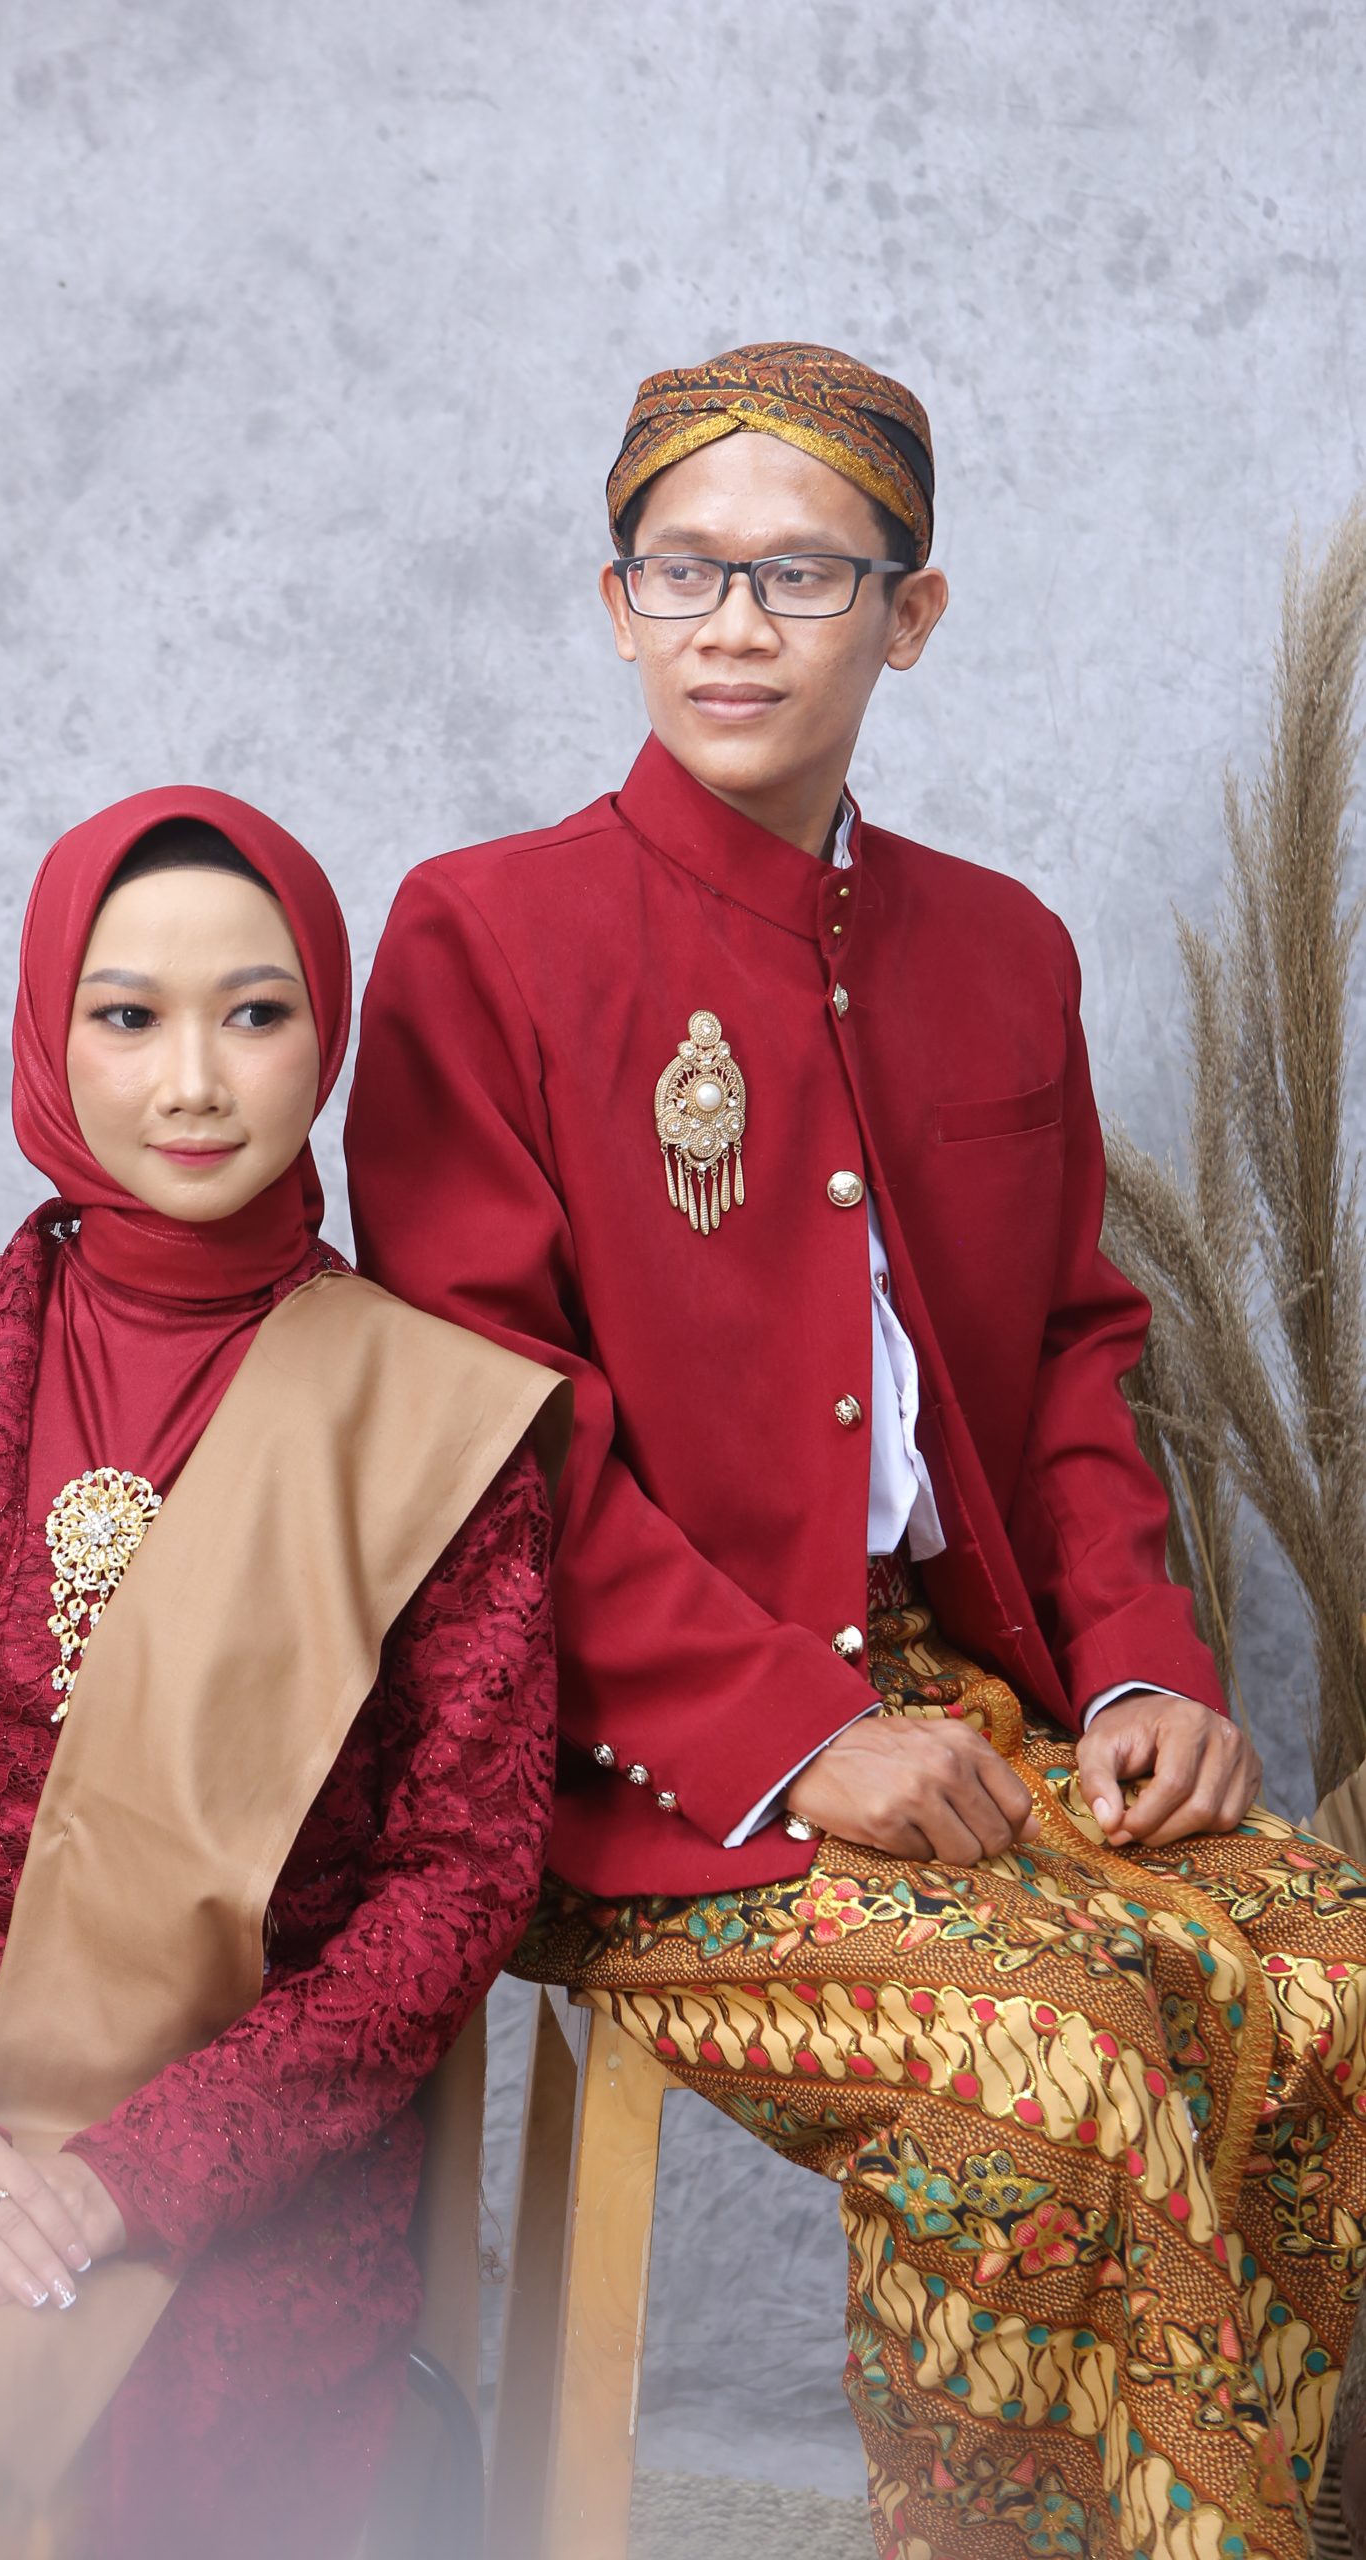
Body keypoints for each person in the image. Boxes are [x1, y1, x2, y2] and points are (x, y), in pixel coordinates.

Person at [345, 342, 1366, 2560]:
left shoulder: (998, 950)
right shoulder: (482, 936)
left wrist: (1140, 1663)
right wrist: (799, 1736)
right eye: (682, 569)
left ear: (909, 614)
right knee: (1054, 2054)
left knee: (1330, 1980)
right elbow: (482, 1436)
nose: (734, 624)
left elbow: (1073, 1355)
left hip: (979, 1705)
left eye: (802, 573)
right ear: (614, 604)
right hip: (638, 1759)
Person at [0, 786, 564, 2560]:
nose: (194, 1082)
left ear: (328, 1033)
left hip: (234, 2162)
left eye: (256, 1012)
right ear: (49, 1035)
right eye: (129, 1017)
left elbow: (456, 1887)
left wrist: (132, 2178)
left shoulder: (433, 1418)